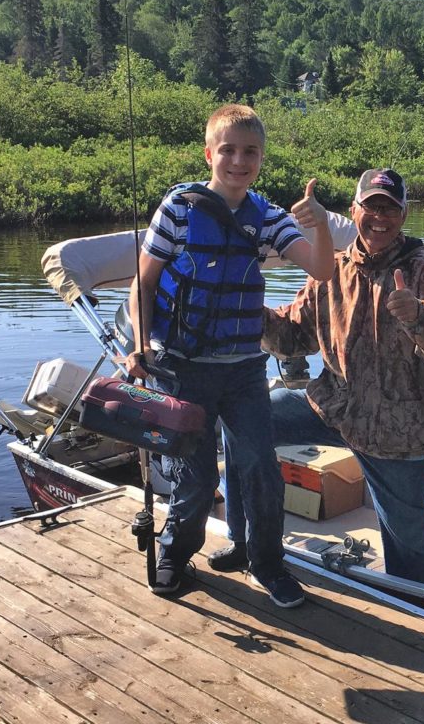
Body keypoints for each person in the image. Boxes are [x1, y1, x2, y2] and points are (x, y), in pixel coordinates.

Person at [208, 168, 424, 584]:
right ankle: (245, 540)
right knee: (245, 420)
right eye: (371, 208)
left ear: (403, 215)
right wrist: (246, 310)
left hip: (397, 434)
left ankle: (414, 612)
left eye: (390, 209)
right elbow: (294, 336)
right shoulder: (329, 270)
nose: (379, 218)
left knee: (408, 545)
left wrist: (419, 317)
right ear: (354, 210)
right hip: (331, 408)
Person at [125, 103, 334, 604]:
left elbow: (322, 270)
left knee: (261, 467)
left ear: (261, 158)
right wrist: (138, 348)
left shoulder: (267, 216)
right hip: (182, 369)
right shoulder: (179, 208)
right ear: (209, 154)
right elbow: (143, 285)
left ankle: (267, 562)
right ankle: (176, 554)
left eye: (251, 152)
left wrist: (321, 225)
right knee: (195, 476)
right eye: (229, 151)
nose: (239, 161)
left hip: (243, 370)